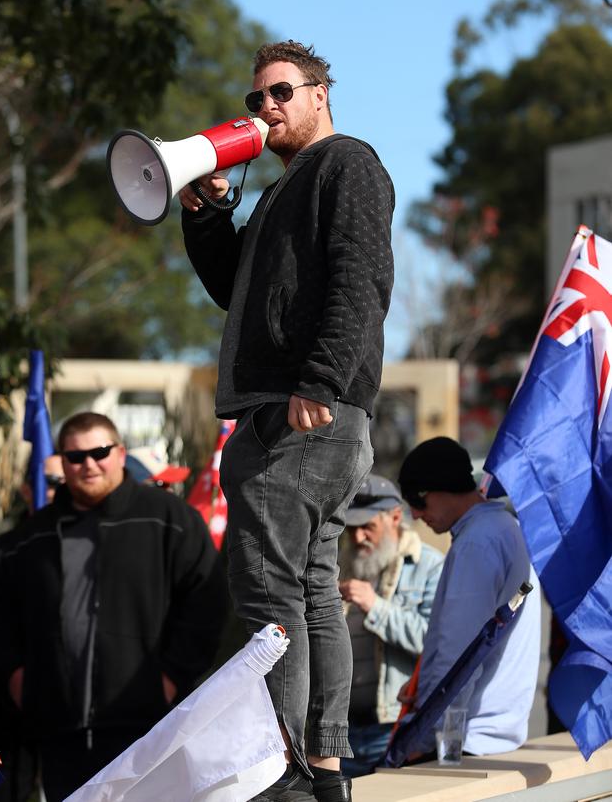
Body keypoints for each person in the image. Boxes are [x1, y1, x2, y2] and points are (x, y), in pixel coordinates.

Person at [180, 40, 395, 801]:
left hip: (300, 412)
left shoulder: (347, 164)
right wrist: (207, 214)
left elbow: (360, 274)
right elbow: (234, 295)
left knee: (270, 593)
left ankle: (290, 771)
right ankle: (323, 767)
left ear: (319, 94)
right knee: (307, 589)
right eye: (255, 100)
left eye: (278, 93)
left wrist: (320, 379)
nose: (264, 109)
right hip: (299, 411)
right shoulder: (282, 190)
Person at [0, 412, 227, 802]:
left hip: (147, 727)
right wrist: (20, 679)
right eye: (76, 457)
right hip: (60, 731)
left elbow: (206, 602)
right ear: (62, 463)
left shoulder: (169, 518)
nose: (89, 464)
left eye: (99, 452)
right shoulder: (33, 535)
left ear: (119, 453)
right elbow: (3, 617)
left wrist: (169, 680)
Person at [396, 436, 541, 760]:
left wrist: (422, 736)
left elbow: (459, 654)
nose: (417, 515)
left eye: (418, 501)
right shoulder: (507, 526)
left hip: (464, 740)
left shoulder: (477, 542)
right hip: (498, 733)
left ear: (440, 487)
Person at [0, 454, 64, 802]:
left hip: (71, 723)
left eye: (63, 483)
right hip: (4, 722)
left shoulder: (88, 551)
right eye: (49, 482)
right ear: (26, 489)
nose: (57, 491)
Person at [337, 474, 443, 777]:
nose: (358, 538)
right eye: (352, 528)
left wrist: (376, 607)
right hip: (339, 731)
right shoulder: (341, 563)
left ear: (395, 517)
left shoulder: (429, 567)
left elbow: (434, 641)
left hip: (392, 730)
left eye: (367, 527)